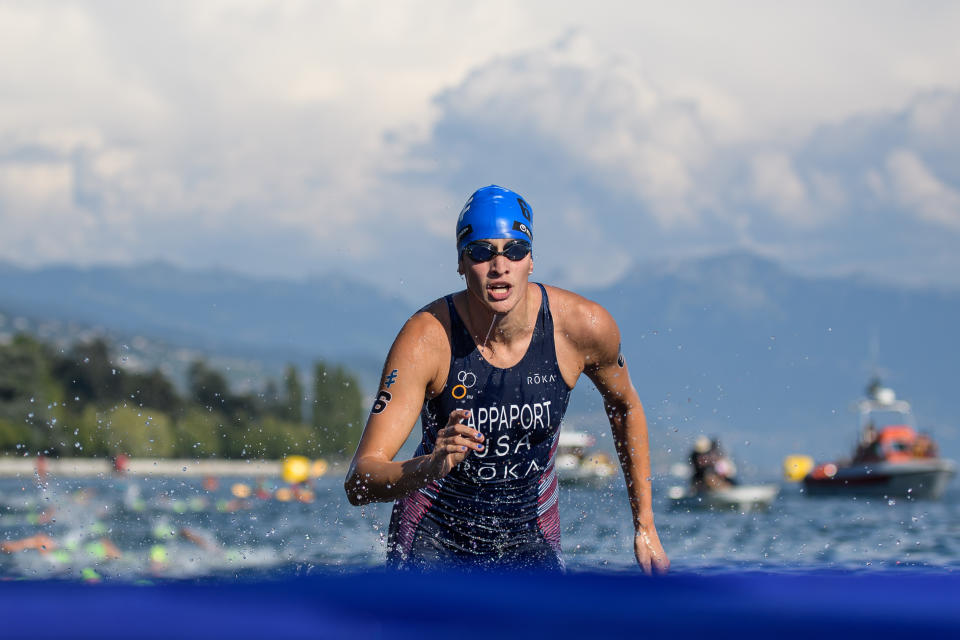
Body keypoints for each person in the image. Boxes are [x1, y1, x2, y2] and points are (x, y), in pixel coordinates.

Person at [344, 184, 669, 574]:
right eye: (482, 252)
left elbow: (625, 406)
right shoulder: (426, 340)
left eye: (514, 250)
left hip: (531, 535)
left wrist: (645, 524)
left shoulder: (583, 327)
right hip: (433, 534)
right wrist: (429, 466)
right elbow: (360, 480)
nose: (500, 266)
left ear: (531, 261)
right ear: (462, 264)